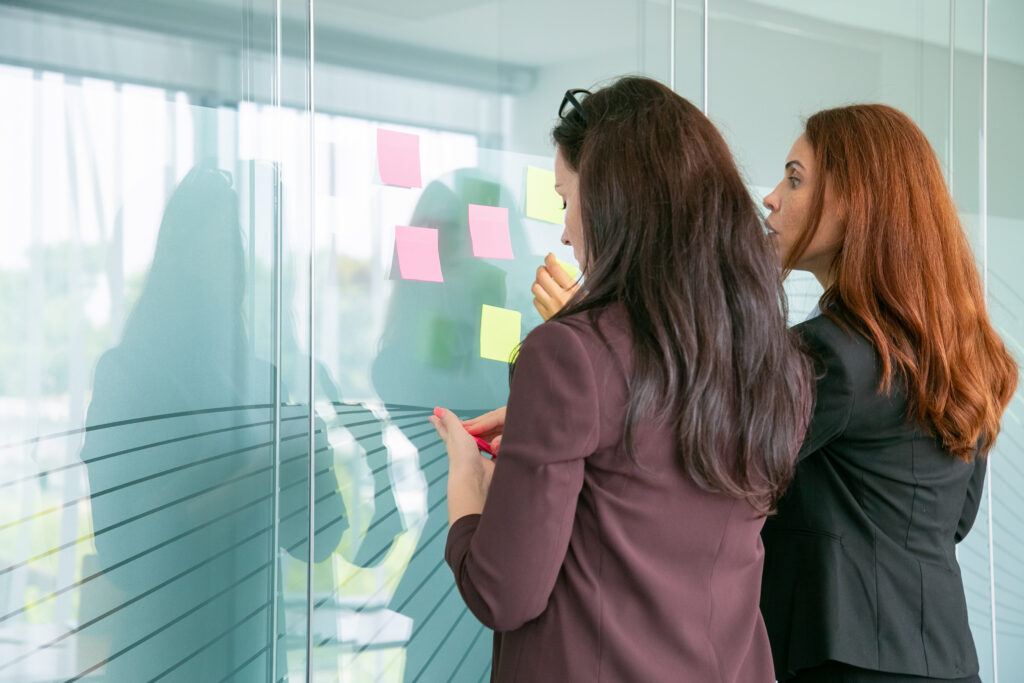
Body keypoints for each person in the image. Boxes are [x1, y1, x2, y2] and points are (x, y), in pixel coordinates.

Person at [428, 76, 811, 681]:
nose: (564, 231)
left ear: (614, 200)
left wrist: (469, 486)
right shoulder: (777, 364)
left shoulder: (569, 355)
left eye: (565, 200)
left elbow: (502, 592)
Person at [758, 104, 1018, 682]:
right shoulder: (960, 354)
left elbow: (717, 470)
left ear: (855, 204)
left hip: (845, 662)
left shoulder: (831, 354)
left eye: (795, 179)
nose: (771, 198)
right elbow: (953, 522)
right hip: (946, 660)